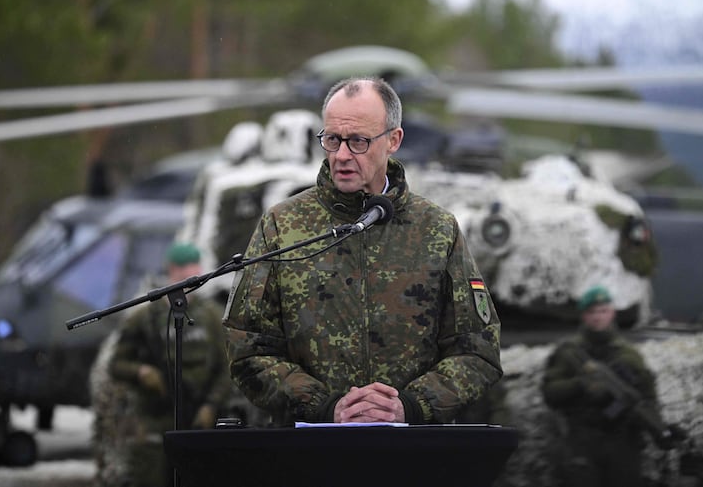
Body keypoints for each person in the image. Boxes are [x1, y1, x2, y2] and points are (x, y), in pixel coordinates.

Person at [223, 76, 503, 426]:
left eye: (358, 141)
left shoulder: (437, 229)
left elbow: (478, 350)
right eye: (332, 139)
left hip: (412, 451)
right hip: (310, 450)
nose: (341, 155)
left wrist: (410, 406)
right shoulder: (282, 226)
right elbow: (248, 348)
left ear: (393, 140)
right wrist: (326, 407)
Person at [106, 242, 232, 487]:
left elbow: (225, 368)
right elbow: (116, 364)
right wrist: (141, 372)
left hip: (197, 419)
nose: (188, 278)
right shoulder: (144, 318)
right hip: (154, 421)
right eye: (182, 271)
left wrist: (211, 405)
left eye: (193, 271)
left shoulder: (211, 317)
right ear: (171, 271)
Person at [540, 285, 684, 487]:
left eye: (603, 311)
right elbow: (550, 393)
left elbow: (646, 398)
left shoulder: (629, 355)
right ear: (584, 315)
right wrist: (581, 384)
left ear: (612, 313)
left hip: (622, 443)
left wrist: (661, 427)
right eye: (592, 312)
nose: (598, 317)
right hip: (583, 442)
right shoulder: (568, 352)